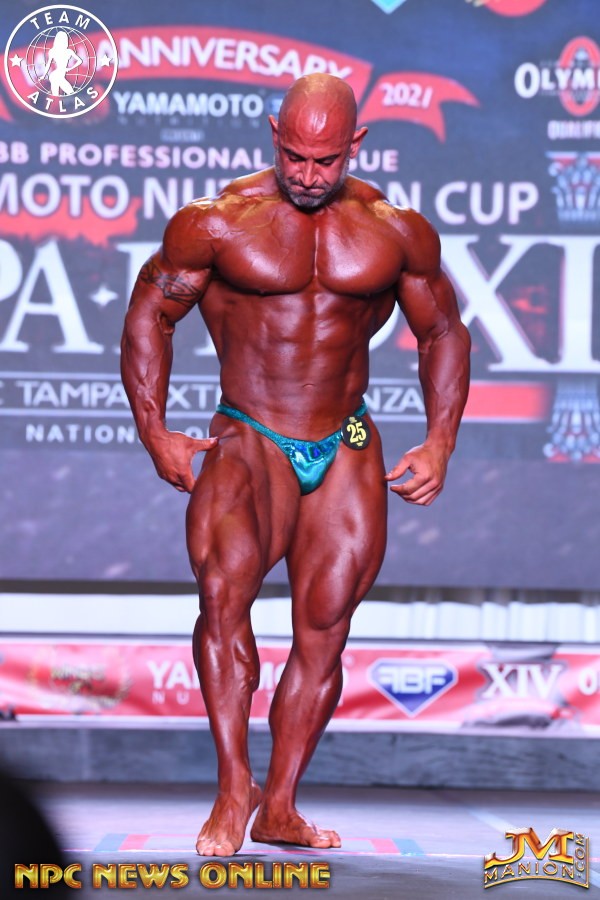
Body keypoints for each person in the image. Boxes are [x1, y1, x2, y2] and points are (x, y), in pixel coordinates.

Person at [121, 73, 470, 856]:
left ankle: (279, 805)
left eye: (326, 160)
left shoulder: (395, 232)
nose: (309, 175)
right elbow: (151, 313)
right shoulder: (215, 223)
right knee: (223, 595)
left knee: (325, 626)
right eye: (295, 157)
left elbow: (444, 332)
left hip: (345, 440)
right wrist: (155, 431)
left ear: (356, 145)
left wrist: (441, 439)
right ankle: (232, 787)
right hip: (251, 432)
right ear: (275, 136)